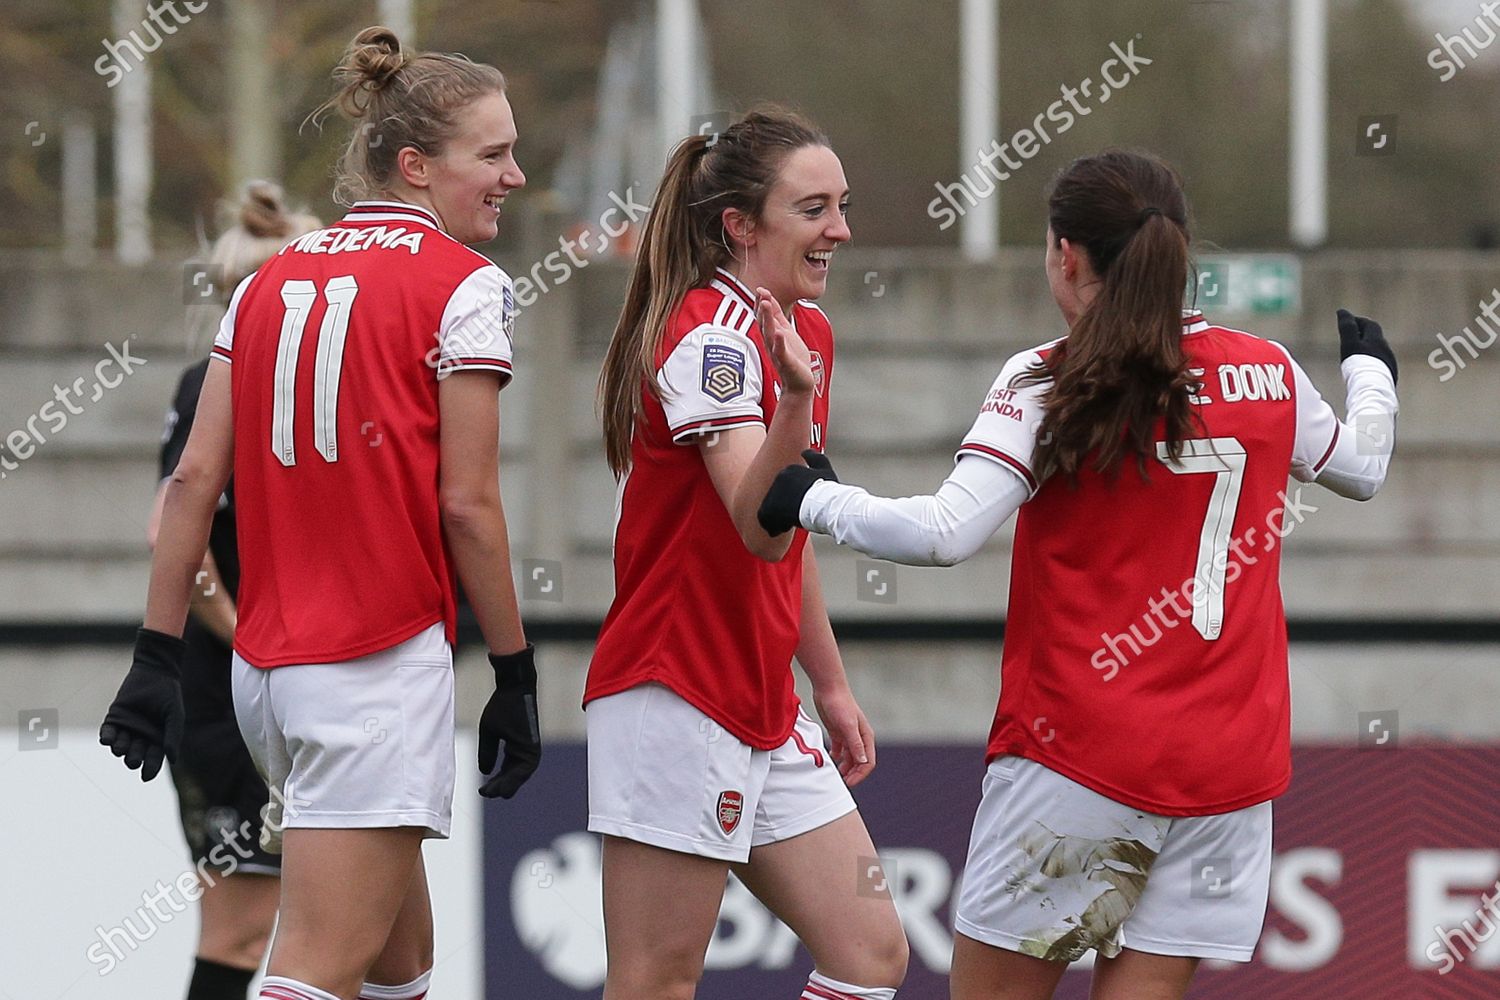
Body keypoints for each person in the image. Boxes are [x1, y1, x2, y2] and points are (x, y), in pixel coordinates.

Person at [758, 149, 1399, 1000]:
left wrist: (811, 497)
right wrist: (1371, 373)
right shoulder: (1271, 370)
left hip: (1080, 760)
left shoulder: (1048, 379)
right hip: (1228, 774)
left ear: (1066, 255)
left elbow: (946, 534)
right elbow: (1363, 467)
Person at [99, 26, 540, 1000]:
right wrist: (515, 670)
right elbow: (467, 505)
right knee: (312, 968)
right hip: (370, 668)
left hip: (270, 675)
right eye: (495, 154)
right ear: (417, 166)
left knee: (400, 963)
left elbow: (190, 484)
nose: (515, 174)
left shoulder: (266, 280)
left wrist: (156, 655)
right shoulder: (468, 286)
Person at [588, 108, 909, 1000]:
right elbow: (758, 523)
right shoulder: (711, 335)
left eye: (841, 206)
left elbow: (789, 536)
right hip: (677, 692)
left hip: (762, 701)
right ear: (740, 225)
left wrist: (831, 685)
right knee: (655, 981)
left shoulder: (804, 330)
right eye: (813, 209)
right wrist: (796, 402)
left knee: (872, 951)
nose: (839, 230)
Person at [150, 181, 319, 1000]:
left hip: (299, 687)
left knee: (349, 924)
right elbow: (180, 546)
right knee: (242, 927)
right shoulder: (208, 389)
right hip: (229, 698)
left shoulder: (306, 391)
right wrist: (255, 638)